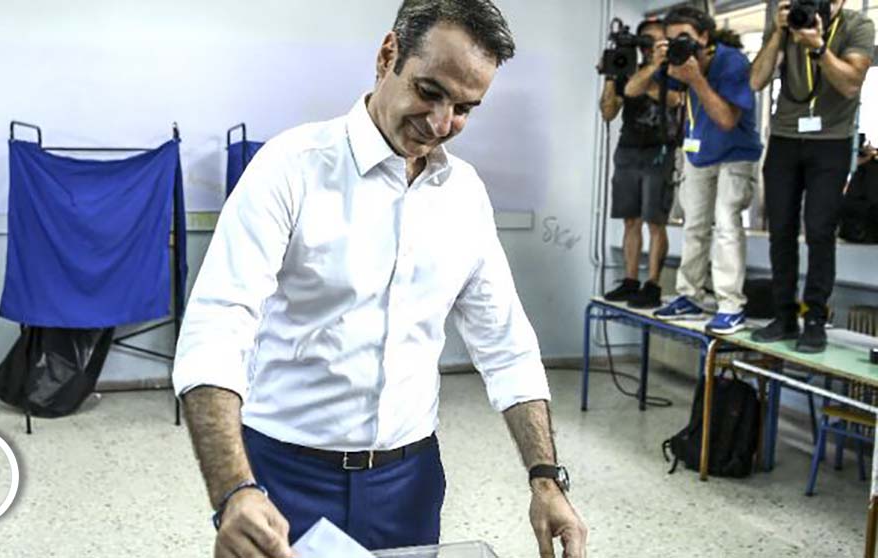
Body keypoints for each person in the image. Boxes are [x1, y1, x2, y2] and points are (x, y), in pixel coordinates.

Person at [172, 1, 588, 557]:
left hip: (409, 483)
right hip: (281, 475)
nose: (442, 124)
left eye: (465, 107)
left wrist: (546, 479)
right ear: (388, 54)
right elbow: (214, 330)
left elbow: (507, 346)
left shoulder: (464, 195)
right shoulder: (290, 167)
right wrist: (233, 491)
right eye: (430, 91)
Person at [749, 0, 874, 352]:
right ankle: (784, 315)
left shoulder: (857, 26)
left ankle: (815, 318)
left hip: (831, 142)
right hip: (786, 139)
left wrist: (817, 46)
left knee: (819, 231)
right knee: (781, 230)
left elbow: (850, 84)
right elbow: (757, 80)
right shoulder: (787, 25)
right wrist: (778, 33)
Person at [641, 6, 763, 334]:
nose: (678, 45)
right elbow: (639, 89)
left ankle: (730, 304)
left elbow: (726, 120)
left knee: (725, 223)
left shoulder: (732, 62)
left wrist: (696, 79)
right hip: (698, 153)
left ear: (704, 37)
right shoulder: (675, 62)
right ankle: (690, 295)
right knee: (694, 225)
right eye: (672, 40)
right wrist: (657, 61)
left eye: (685, 38)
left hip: (735, 154)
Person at [600, 17, 683, 309]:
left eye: (658, 40)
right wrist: (611, 75)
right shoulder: (629, 67)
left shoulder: (677, 65)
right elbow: (608, 111)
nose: (652, 47)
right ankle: (631, 279)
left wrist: (644, 78)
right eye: (646, 41)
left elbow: (673, 100)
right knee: (630, 220)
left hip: (660, 151)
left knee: (655, 222)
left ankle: (653, 284)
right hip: (629, 150)